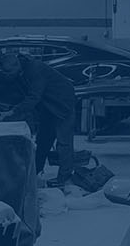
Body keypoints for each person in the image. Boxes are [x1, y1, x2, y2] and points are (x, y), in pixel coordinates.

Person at [6, 49, 80, 183]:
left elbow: (34, 97)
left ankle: (65, 178)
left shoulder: (35, 70)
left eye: (9, 72)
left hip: (63, 103)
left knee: (64, 143)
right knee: (43, 141)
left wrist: (14, 112)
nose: (8, 76)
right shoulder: (22, 70)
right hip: (48, 106)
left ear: (17, 65)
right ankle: (33, 175)